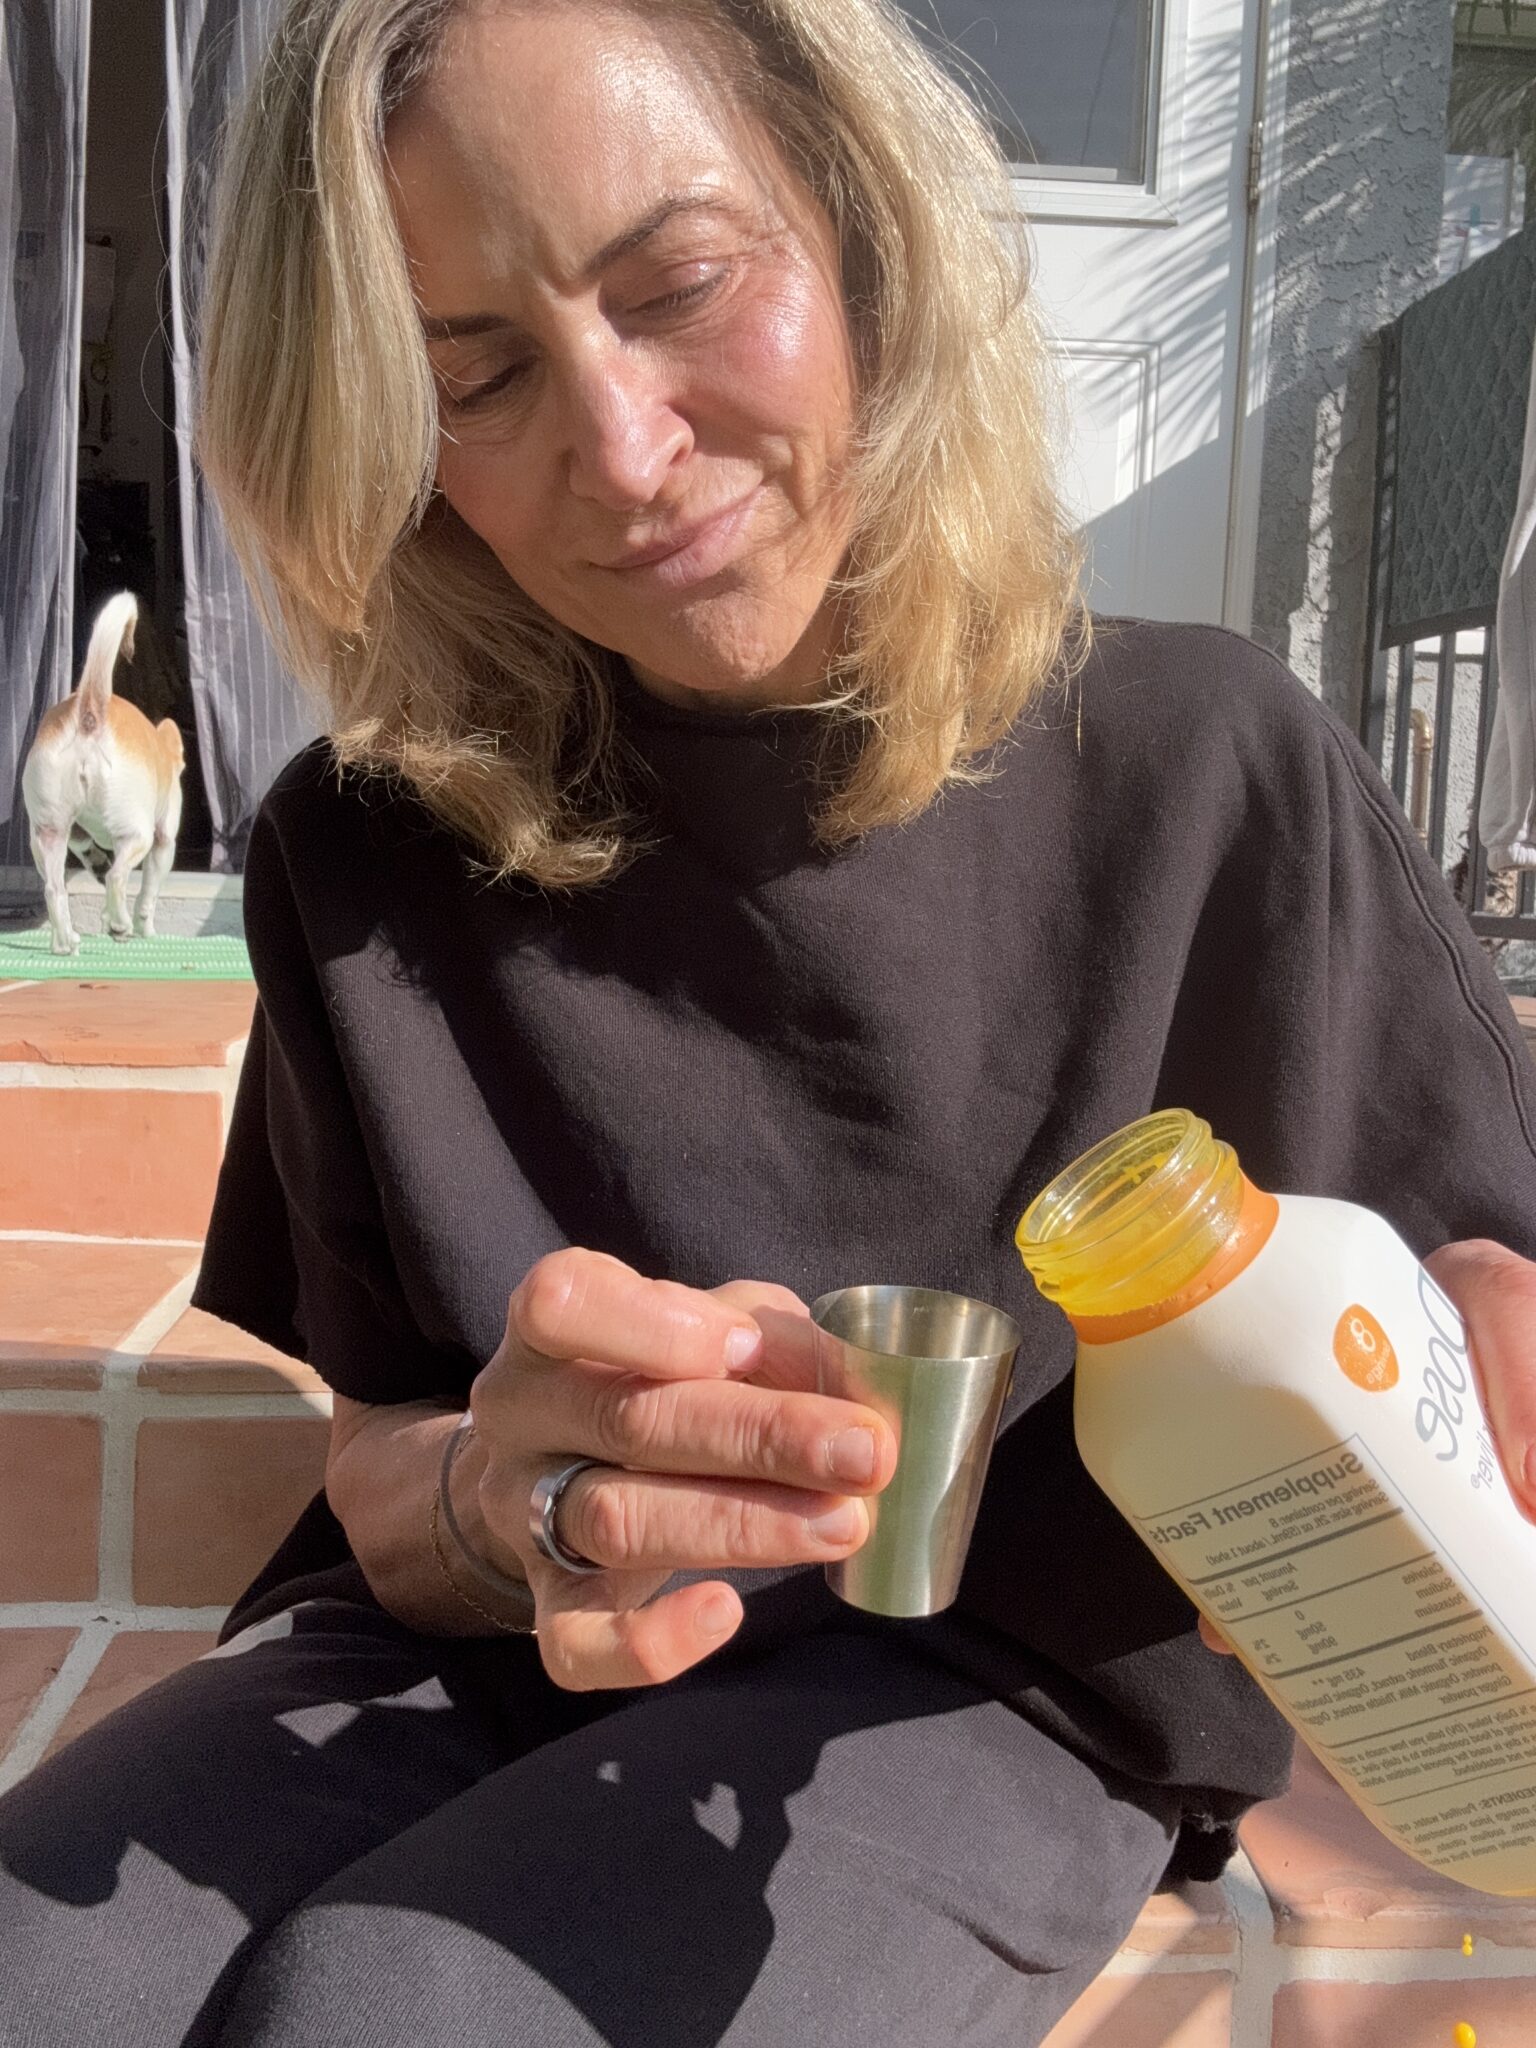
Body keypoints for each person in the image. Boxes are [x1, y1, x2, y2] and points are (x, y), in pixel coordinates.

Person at [4, 0, 1536, 2041]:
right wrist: (511, 1502)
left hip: (991, 1677)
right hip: (454, 1655)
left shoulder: (1212, 774)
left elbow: (1467, 1318)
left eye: (684, 286)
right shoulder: (361, 845)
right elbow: (380, 1460)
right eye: (479, 380)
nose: (623, 454)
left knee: (400, 2007)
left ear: (860, 224)